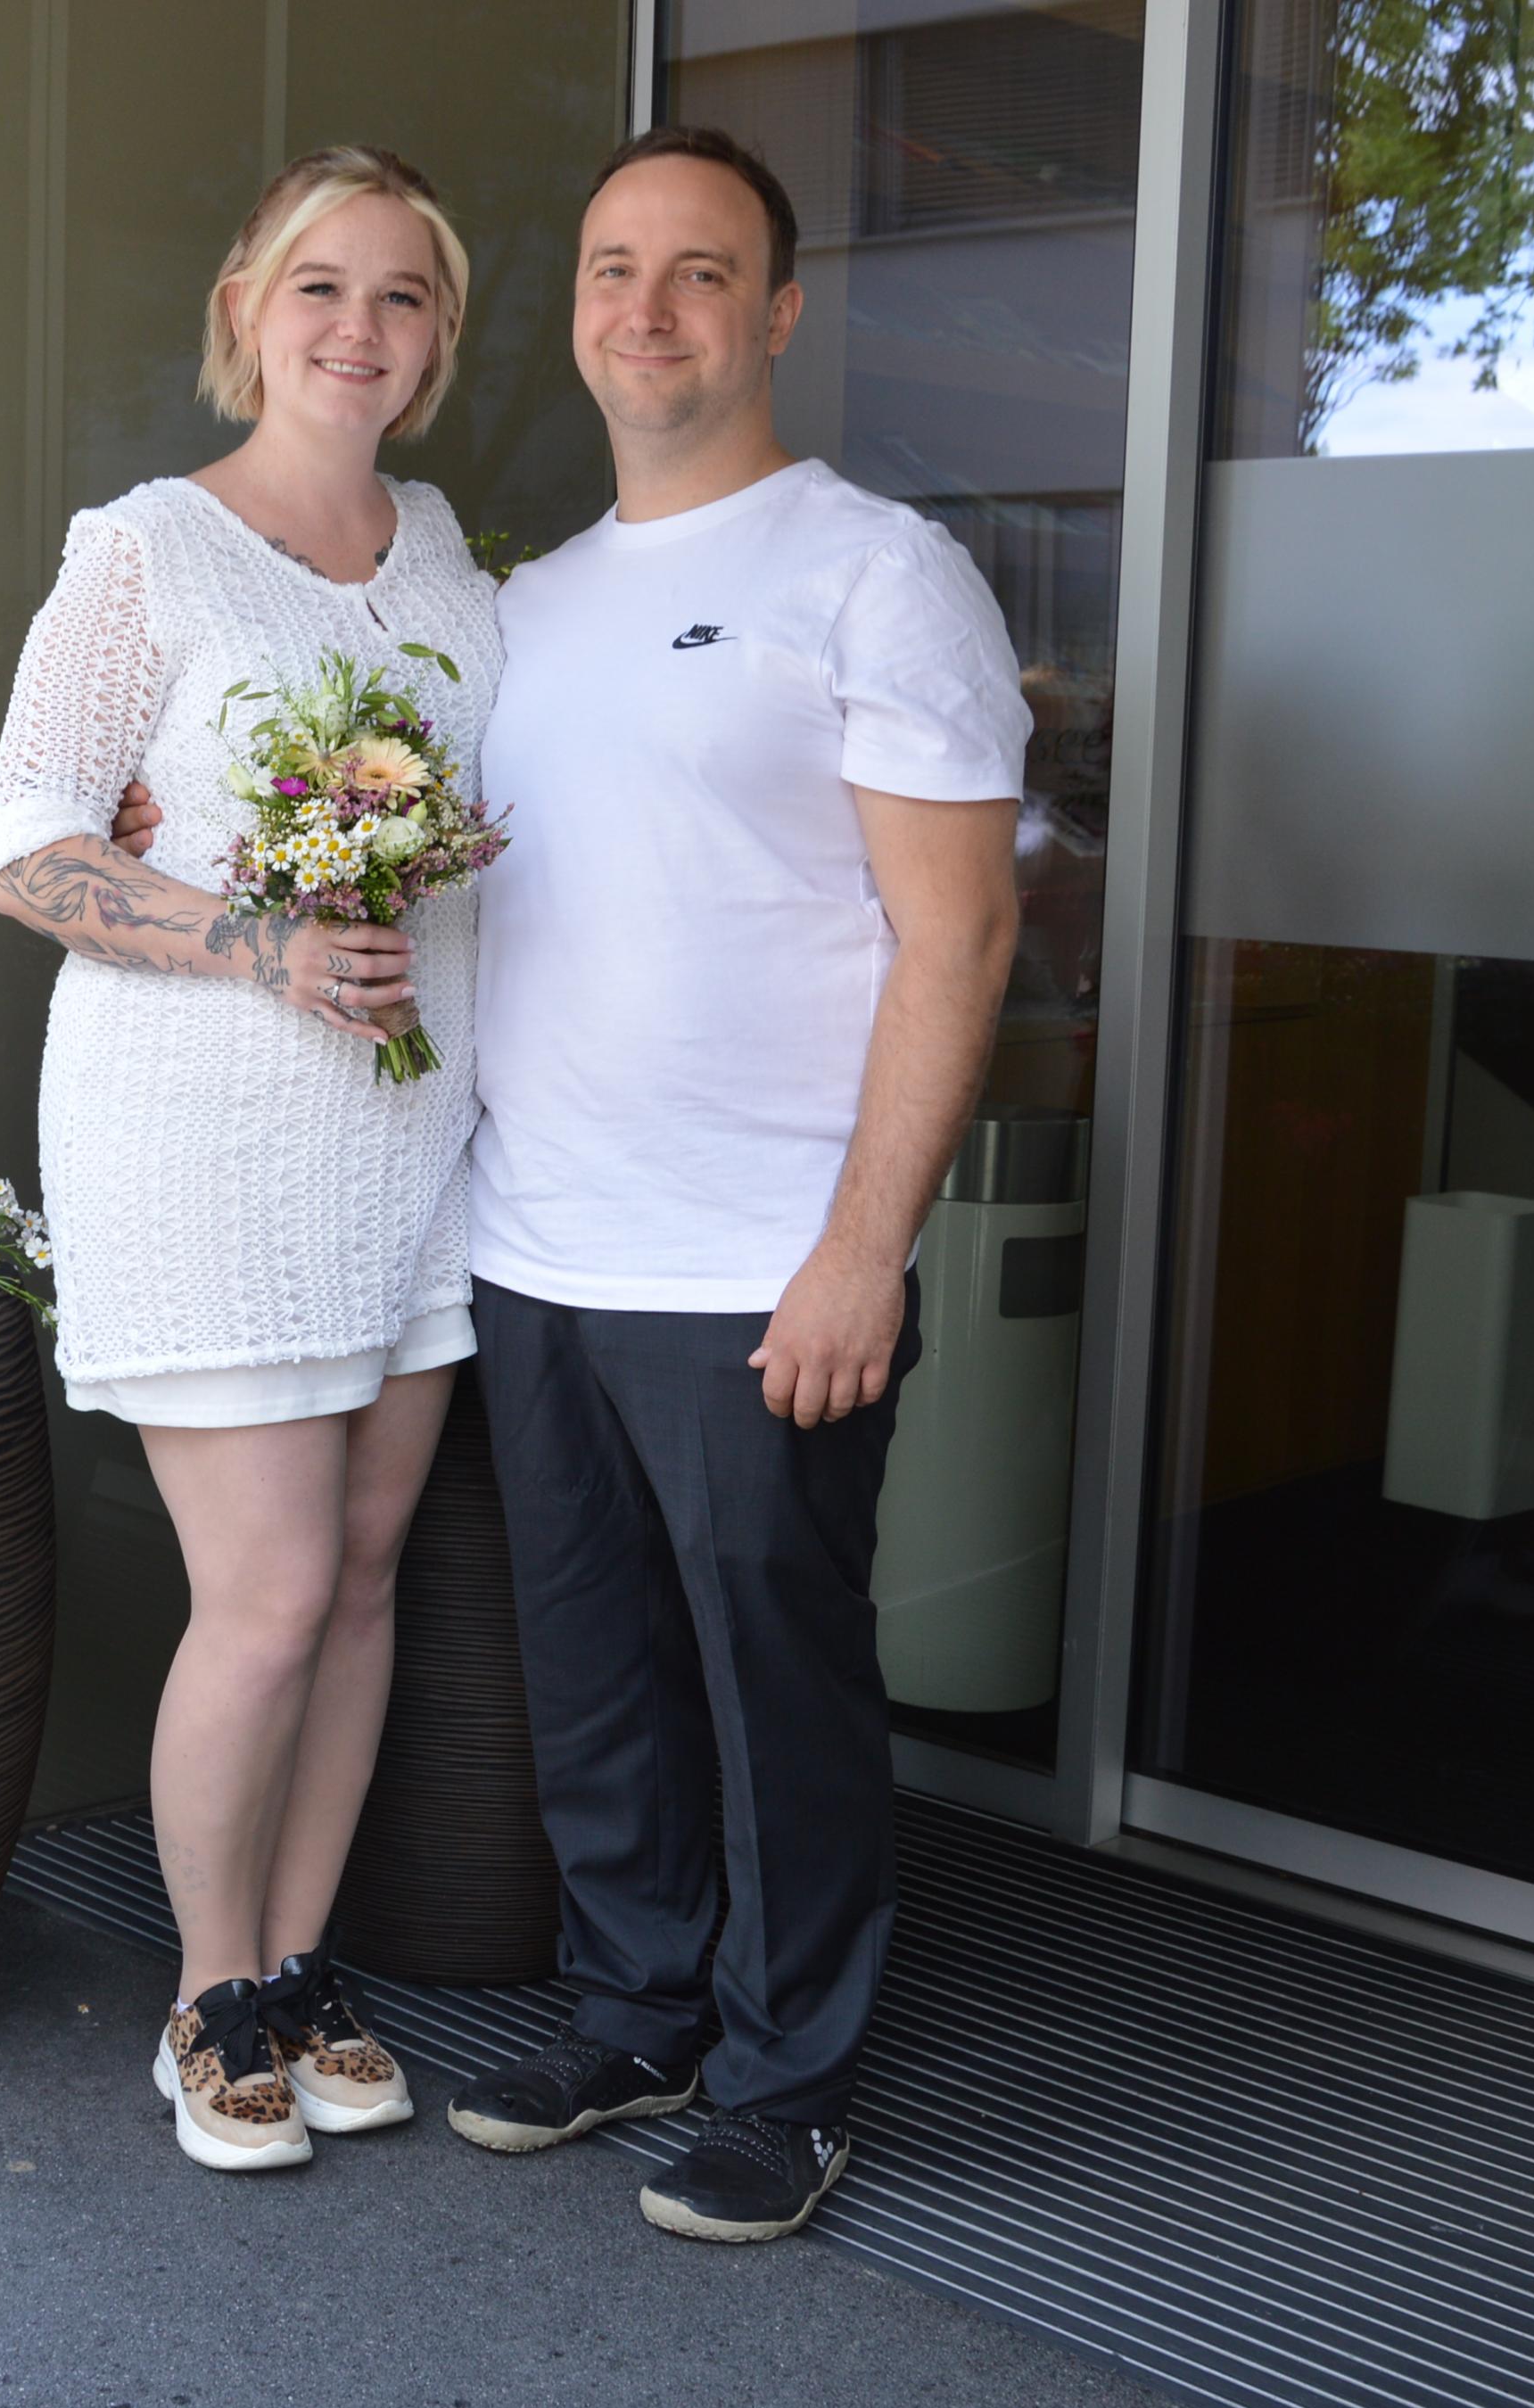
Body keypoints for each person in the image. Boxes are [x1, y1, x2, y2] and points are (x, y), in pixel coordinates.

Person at [434, 127, 1027, 2243]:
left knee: (776, 1696)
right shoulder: (523, 610)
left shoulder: (873, 572)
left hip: (762, 1261)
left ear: (774, 312)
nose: (648, 309)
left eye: (698, 271)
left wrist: (863, 1250)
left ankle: (789, 2080)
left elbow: (959, 937)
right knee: (594, 1678)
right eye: (612, 268)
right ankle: (635, 2010)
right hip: (537, 1246)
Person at [0, 147, 507, 2174]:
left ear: (438, 339)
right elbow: (17, 842)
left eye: (403, 295)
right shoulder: (148, 552)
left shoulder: (443, 551)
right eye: (320, 288)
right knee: (266, 1593)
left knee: (359, 1582)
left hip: (410, 1132)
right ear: (246, 313)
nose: (361, 328)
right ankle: (206, 2001)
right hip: (203, 1134)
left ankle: (296, 1966)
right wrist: (256, 942)